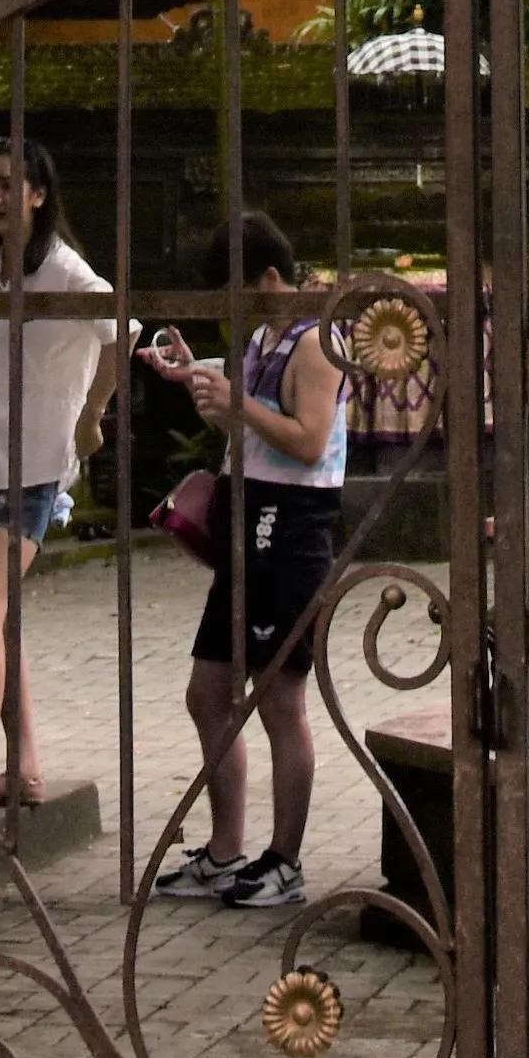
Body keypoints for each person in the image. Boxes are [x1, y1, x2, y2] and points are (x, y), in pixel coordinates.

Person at [140, 211, 350, 910]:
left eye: (237, 292)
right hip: (246, 518)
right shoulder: (263, 338)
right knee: (208, 691)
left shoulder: (318, 343)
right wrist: (196, 383)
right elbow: (245, 427)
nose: (231, 310)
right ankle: (224, 850)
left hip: (292, 530)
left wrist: (237, 402)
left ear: (268, 277)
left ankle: (285, 860)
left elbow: (309, 440)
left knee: (279, 698)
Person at [0, 132, 115, 830]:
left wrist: (90, 417)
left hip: (37, 468)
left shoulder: (68, 275)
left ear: (38, 195)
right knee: (0, 619)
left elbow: (120, 333)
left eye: (9, 184)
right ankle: (27, 764)